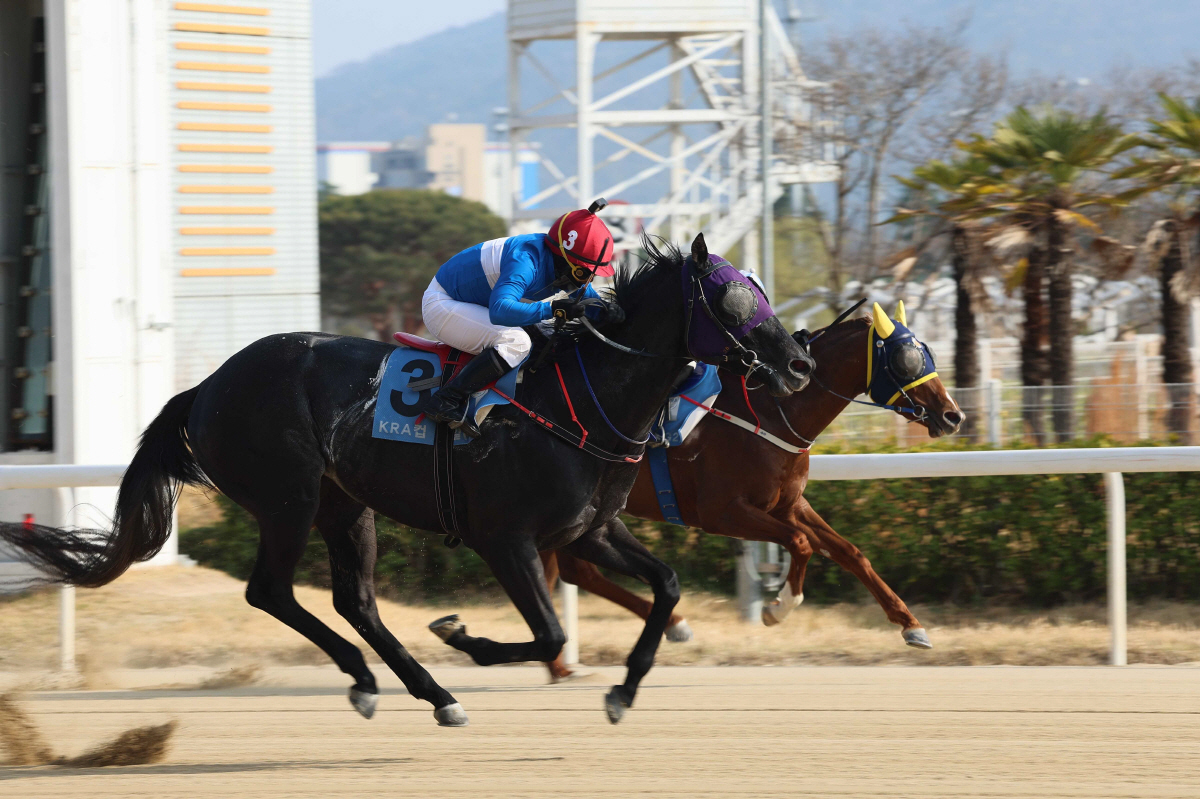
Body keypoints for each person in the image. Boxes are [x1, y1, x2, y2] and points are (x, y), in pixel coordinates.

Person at [416, 199, 616, 436]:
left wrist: (609, 311)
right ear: (565, 259)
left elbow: (587, 301)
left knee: (550, 337)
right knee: (516, 342)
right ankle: (446, 400)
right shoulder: (526, 261)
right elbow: (500, 309)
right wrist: (553, 309)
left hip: (473, 303)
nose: (588, 281)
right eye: (585, 272)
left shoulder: (561, 263)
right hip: (443, 305)